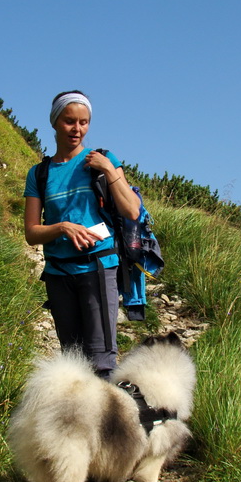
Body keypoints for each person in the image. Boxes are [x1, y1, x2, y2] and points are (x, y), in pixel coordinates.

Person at [23, 90, 141, 378]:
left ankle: (104, 421)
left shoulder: (103, 159)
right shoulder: (39, 174)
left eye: (84, 122)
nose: (77, 129)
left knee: (101, 360)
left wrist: (108, 169)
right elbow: (31, 233)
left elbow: (132, 211)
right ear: (54, 122)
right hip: (58, 275)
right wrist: (63, 227)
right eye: (69, 121)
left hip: (99, 268)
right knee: (72, 362)